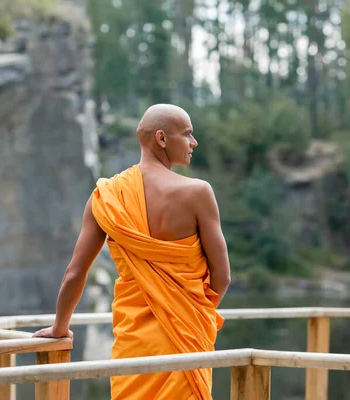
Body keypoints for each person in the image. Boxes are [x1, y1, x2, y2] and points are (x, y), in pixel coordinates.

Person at [33, 104, 231, 399]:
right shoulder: (198, 193)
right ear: (162, 139)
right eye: (188, 134)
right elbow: (222, 277)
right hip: (187, 338)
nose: (194, 142)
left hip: (133, 342)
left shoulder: (108, 197)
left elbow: (75, 273)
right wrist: (192, 314)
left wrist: (60, 328)